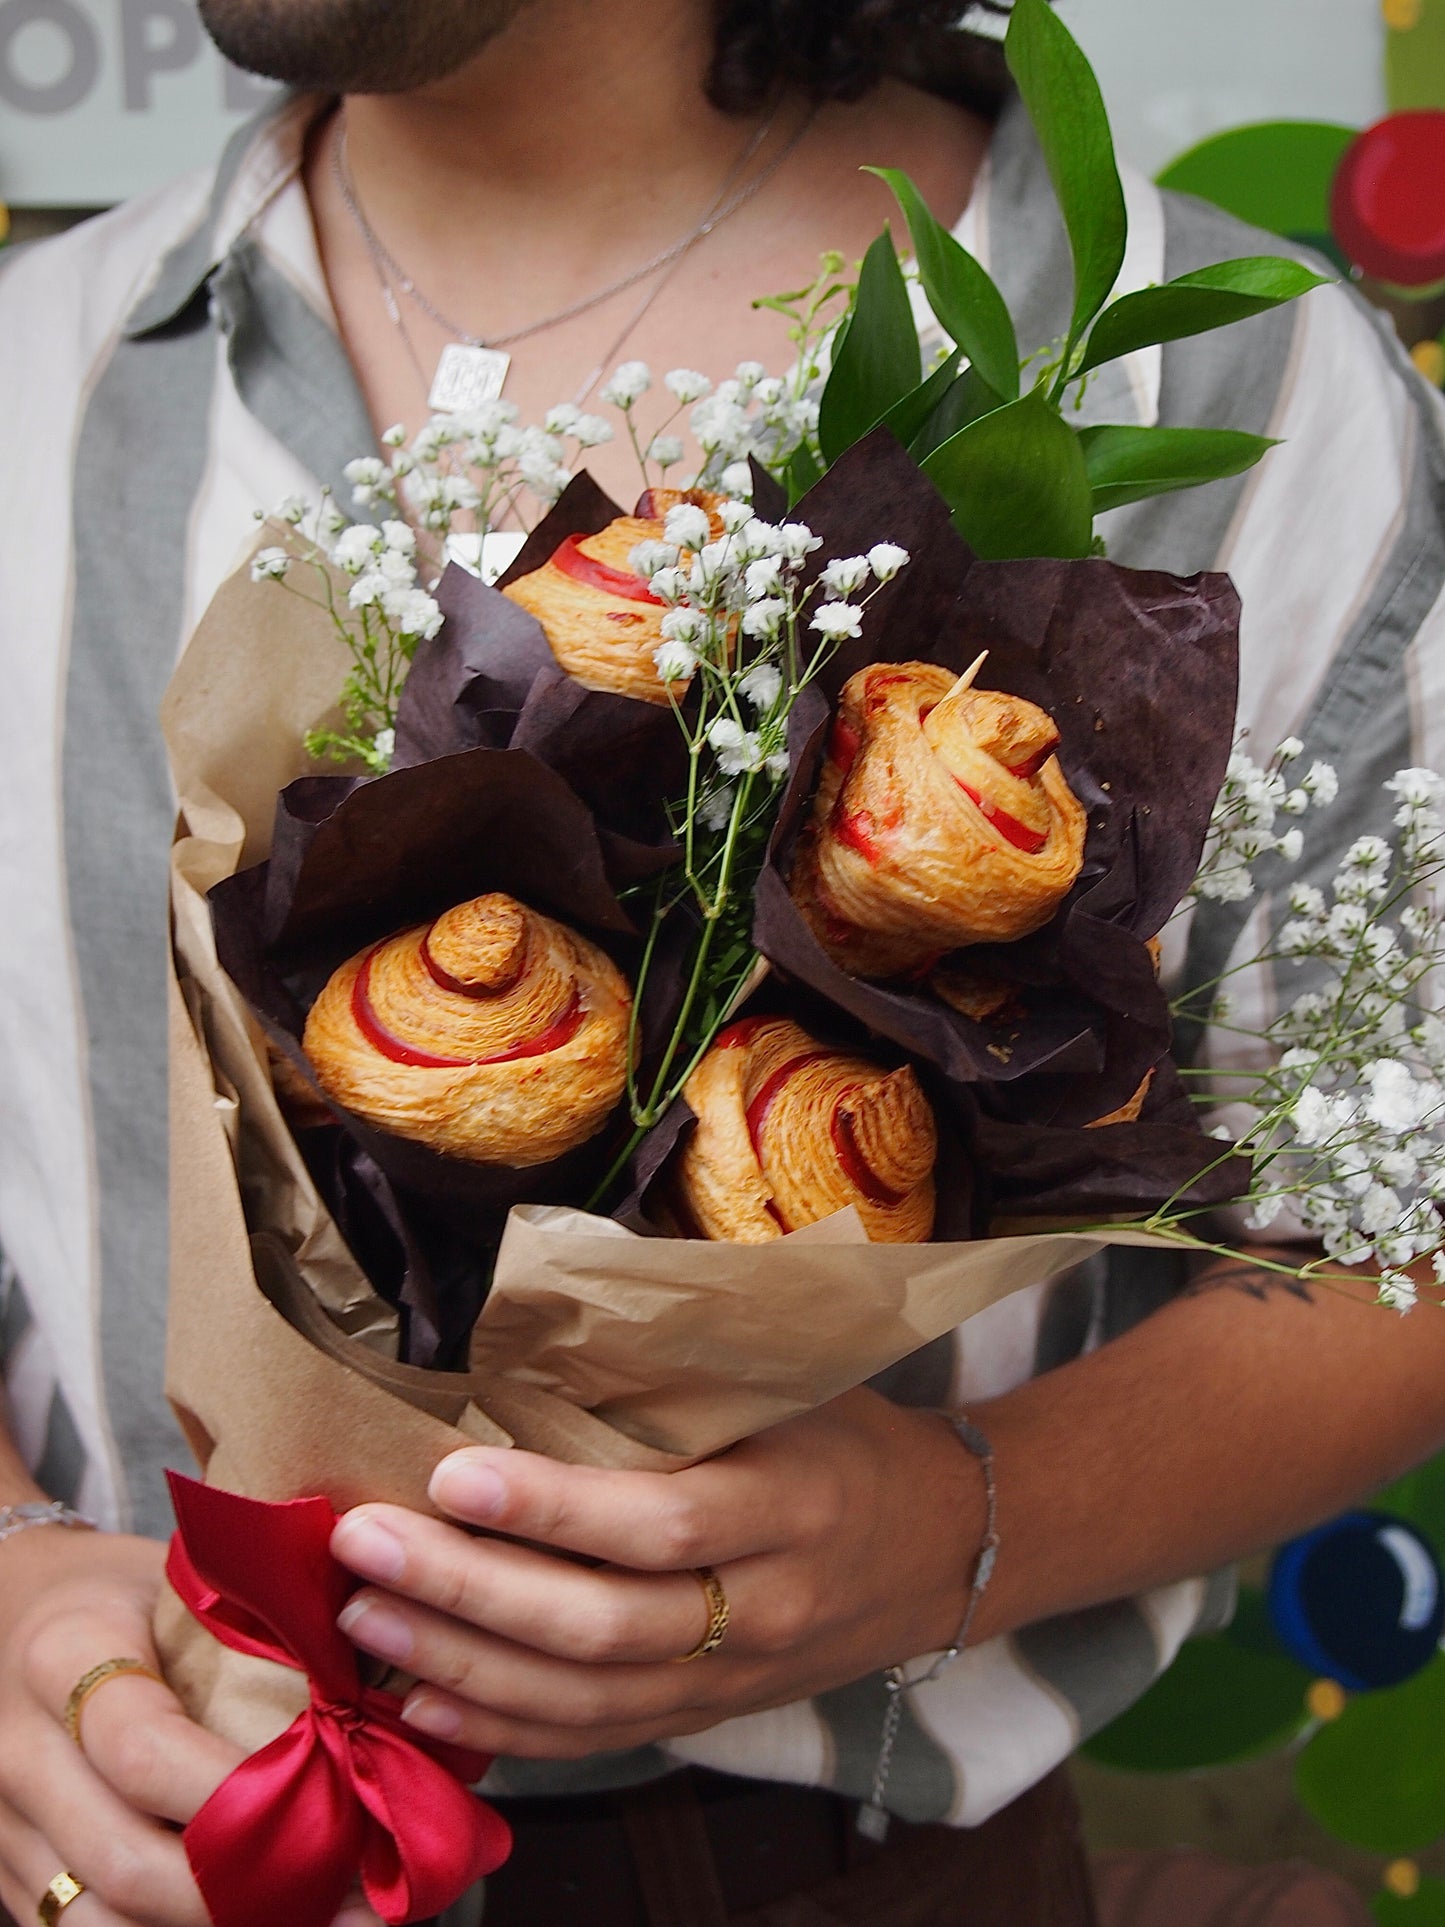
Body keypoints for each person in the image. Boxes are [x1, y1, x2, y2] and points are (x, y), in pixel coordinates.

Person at [1, 1, 1443, 1922]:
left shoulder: (1267, 391)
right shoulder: (38, 384)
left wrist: (961, 1522)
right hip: (120, 1859)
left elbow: (1410, 1224)